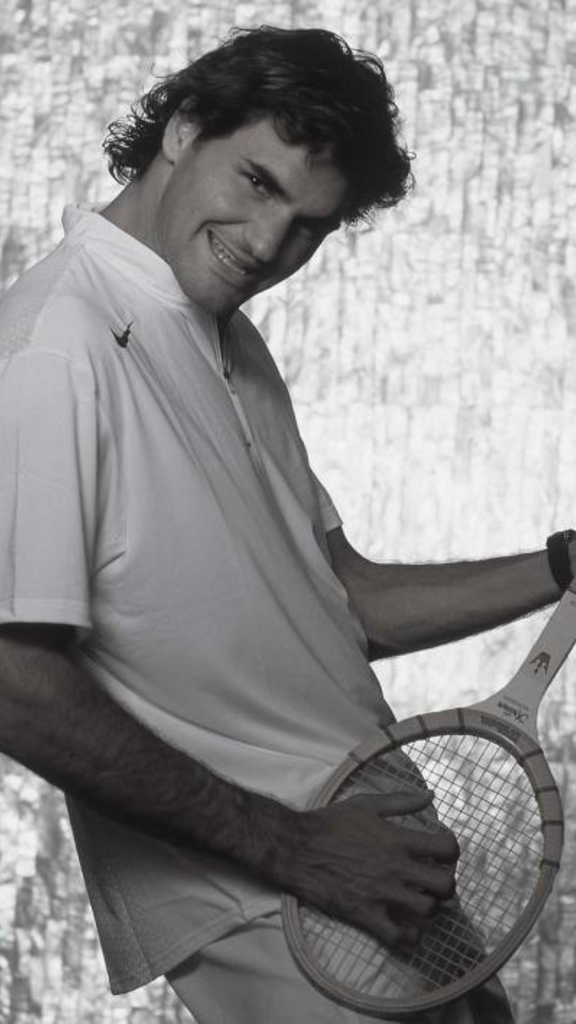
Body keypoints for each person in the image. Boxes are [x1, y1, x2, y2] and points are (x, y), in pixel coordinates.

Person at [0, 25, 569, 1023]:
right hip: (275, 890)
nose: (269, 246)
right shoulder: (54, 344)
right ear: (181, 129)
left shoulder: (223, 330)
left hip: (377, 861)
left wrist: (562, 563)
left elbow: (342, 600)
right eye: (257, 183)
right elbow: (12, 681)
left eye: (309, 224)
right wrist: (298, 848)